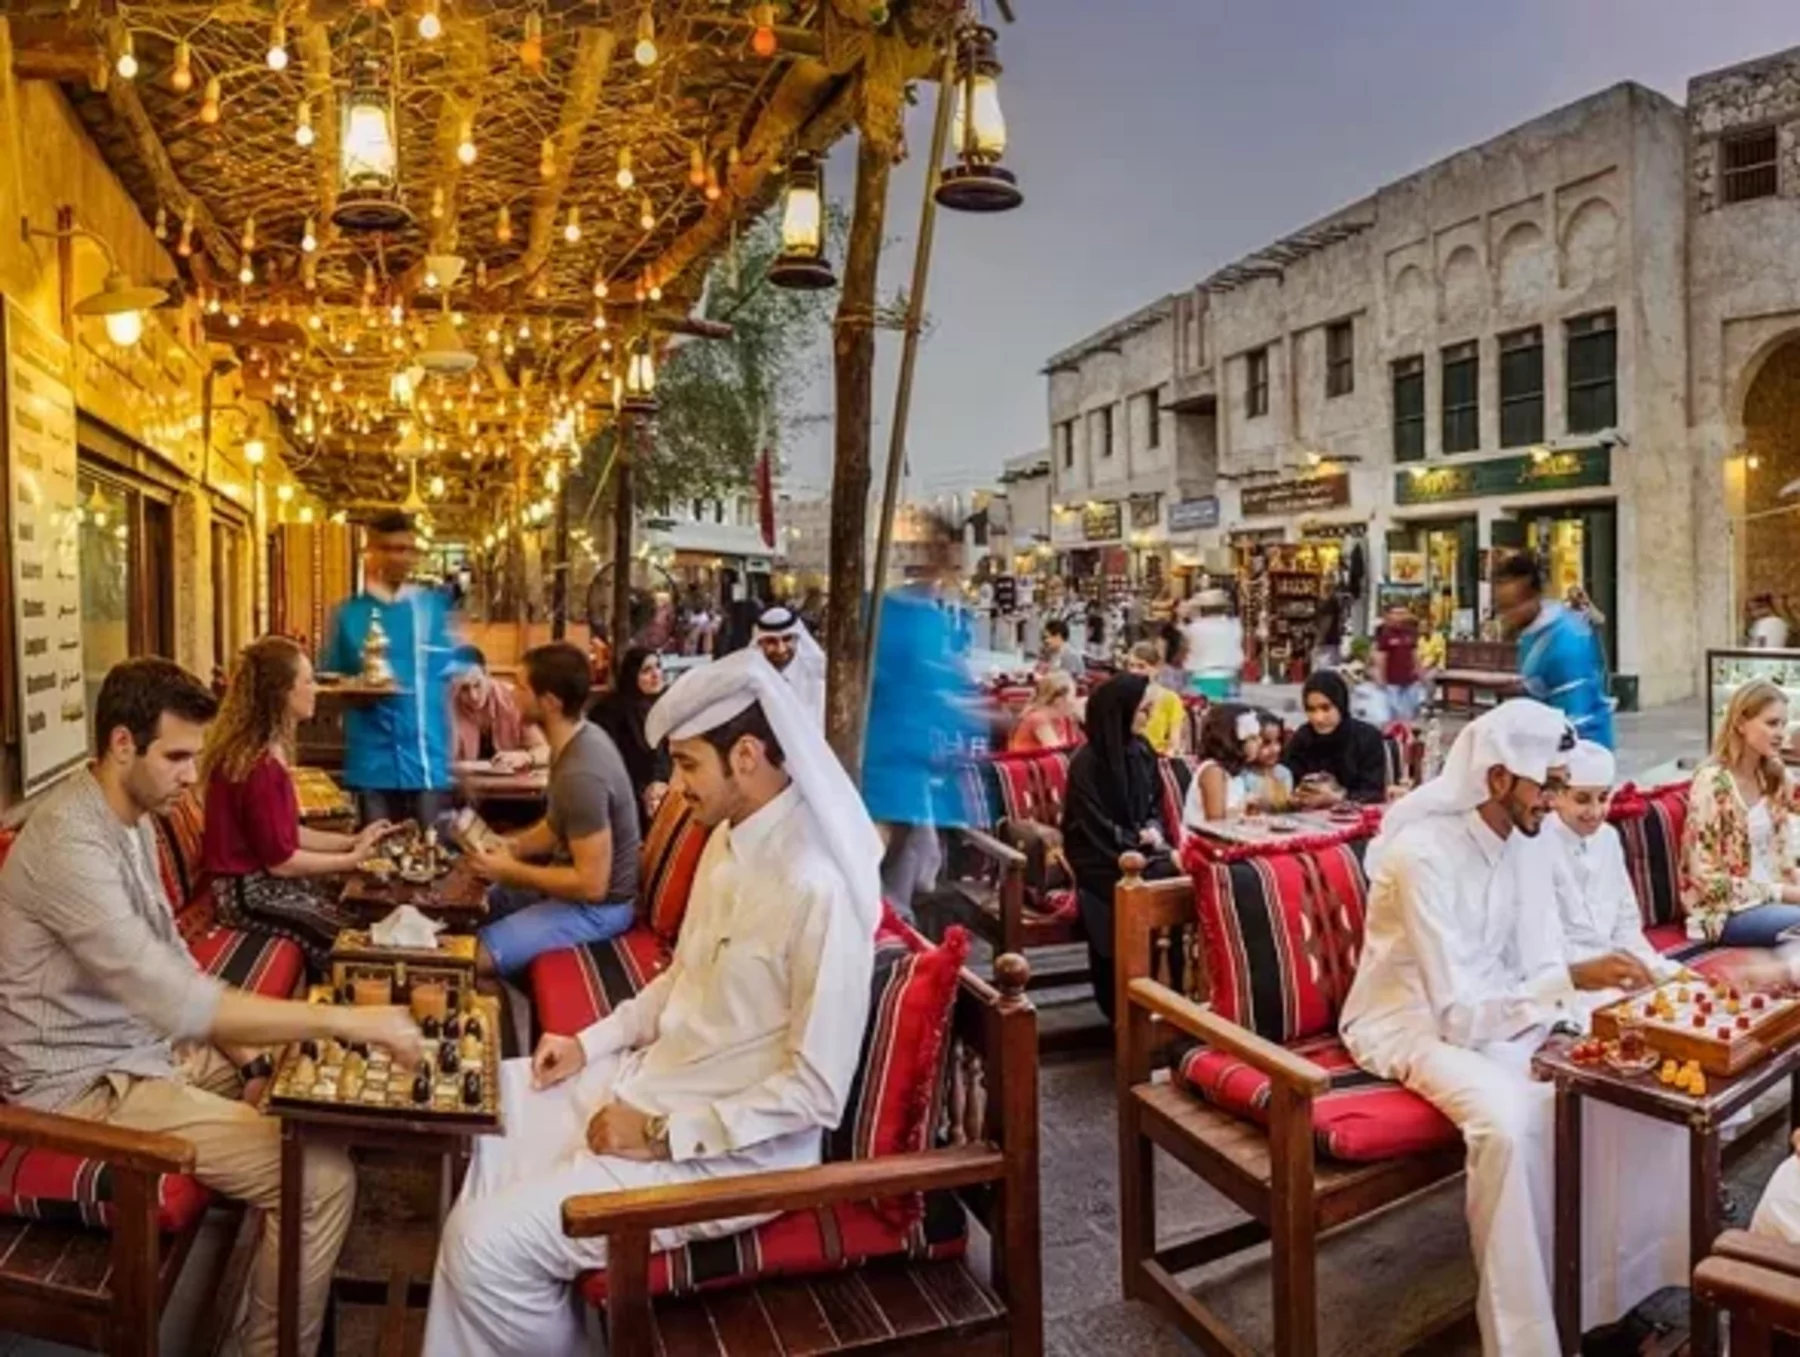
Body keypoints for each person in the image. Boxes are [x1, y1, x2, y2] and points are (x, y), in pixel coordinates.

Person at [421, 650, 881, 1354]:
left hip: (732, 1157)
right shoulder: (728, 842)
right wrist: (587, 1043)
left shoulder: (818, 886)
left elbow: (816, 1094)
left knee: (480, 1246)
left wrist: (663, 1132)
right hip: (657, 1080)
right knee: (496, 1098)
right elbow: (682, 979)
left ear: (748, 756)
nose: (672, 785)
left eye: (690, 765)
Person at [0, 657, 423, 1357]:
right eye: (177, 756)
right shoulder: (69, 845)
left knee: (304, 1081)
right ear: (121, 744)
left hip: (140, 1055)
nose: (193, 776)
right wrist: (348, 1018)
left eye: (195, 755)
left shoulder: (127, 815)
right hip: (81, 1093)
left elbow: (173, 961)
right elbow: (174, 995)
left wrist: (256, 1061)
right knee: (320, 1176)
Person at [1340, 701, 1683, 1353]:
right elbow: (1458, 1011)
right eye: (1546, 784)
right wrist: (1566, 989)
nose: (1554, 800)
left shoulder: (1525, 840)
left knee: (1610, 1081)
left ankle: (1603, 1297)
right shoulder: (1423, 854)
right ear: (1498, 778)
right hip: (1407, 1019)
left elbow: (1542, 959)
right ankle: (1525, 1338)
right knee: (1508, 1121)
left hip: (1502, 1008)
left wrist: (1571, 1015)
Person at [202, 637, 394, 970]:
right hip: (246, 895)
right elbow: (282, 862)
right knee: (351, 936)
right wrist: (351, 860)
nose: (316, 689)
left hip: (263, 882)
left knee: (355, 910)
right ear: (282, 693)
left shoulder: (264, 751)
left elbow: (288, 834)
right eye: (308, 681)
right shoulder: (256, 764)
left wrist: (352, 841)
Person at [464, 643, 642, 977]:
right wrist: (511, 847)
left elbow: (592, 885)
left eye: (520, 686)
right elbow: (556, 826)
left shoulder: (581, 772)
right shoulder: (575, 740)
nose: (512, 694)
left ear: (550, 702)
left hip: (597, 910)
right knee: (469, 905)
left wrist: (509, 871)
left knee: (474, 957)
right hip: (579, 896)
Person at [863, 513, 984, 918]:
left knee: (904, 873)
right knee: (874, 865)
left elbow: (941, 682)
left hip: (911, 763)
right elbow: (918, 683)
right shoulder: (896, 612)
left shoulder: (928, 613)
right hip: (886, 760)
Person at [321, 510, 459, 823]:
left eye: (406, 549)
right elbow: (333, 679)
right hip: (372, 762)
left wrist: (455, 758)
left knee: (432, 857)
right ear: (370, 553)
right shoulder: (348, 615)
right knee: (377, 858)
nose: (400, 558)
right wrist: (356, 691)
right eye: (389, 549)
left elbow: (448, 680)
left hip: (427, 763)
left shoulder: (432, 609)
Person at [1061, 674, 1175, 1021]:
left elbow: (1154, 805)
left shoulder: (1142, 752)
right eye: (1144, 711)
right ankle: (1126, 1006)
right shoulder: (1086, 762)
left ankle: (1170, 993)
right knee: (1155, 874)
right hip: (1099, 855)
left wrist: (1152, 831)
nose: (1148, 718)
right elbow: (1091, 824)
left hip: (1139, 849)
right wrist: (1133, 844)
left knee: (1177, 872)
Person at [1547, 740, 1681, 1019]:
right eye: (1582, 799)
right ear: (1556, 796)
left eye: (1603, 798)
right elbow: (1544, 944)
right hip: (1568, 980)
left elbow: (1626, 922)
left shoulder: (1608, 837)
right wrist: (1600, 972)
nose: (1595, 811)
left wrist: (1653, 971)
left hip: (1615, 969)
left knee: (1686, 995)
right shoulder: (1536, 844)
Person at [1681, 677, 1800, 945]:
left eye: (1783, 724)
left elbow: (1784, 856)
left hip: (1777, 897)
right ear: (1740, 724)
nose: (1780, 733)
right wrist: (1786, 892)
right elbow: (1706, 880)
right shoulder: (1713, 782)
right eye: (1771, 723)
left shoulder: (1773, 775)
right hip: (1726, 913)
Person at [1494, 552, 1615, 749]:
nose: (1506, 615)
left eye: (1513, 607)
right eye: (1502, 607)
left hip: (1583, 752)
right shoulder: (1533, 632)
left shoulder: (1566, 645)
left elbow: (1576, 725)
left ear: (1534, 597)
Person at [586, 646, 672, 832]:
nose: (656, 675)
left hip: (662, 794)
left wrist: (660, 782)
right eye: (646, 670)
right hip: (625, 799)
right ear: (632, 675)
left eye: (658, 667)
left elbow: (668, 756)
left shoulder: (667, 706)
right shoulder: (610, 712)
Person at [1283, 669, 1389, 809]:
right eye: (1311, 709)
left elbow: (1374, 792)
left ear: (1340, 704)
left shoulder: (1366, 737)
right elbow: (1289, 782)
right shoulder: (1302, 739)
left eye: (1326, 708)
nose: (1318, 718)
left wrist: (1338, 798)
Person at [450, 646, 549, 771]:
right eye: (464, 689)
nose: (473, 696)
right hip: (463, 786)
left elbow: (545, 751)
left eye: (477, 685)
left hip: (511, 786)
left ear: (487, 674)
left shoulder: (515, 699)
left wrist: (527, 757)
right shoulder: (446, 704)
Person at [1183, 704, 1259, 828]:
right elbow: (1216, 823)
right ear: (1232, 741)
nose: (1259, 742)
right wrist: (1242, 812)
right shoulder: (1213, 772)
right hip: (1204, 842)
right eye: (1253, 738)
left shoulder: (1234, 775)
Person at [753, 603, 827, 726]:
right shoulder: (751, 680)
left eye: (787, 639)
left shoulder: (816, 679)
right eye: (771, 641)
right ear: (760, 643)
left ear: (797, 639)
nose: (781, 649)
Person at [1181, 588, 1243, 700]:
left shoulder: (1193, 628)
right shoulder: (1235, 626)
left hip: (1202, 673)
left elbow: (1185, 650)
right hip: (1230, 673)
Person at [1126, 641, 1186, 756]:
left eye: (1141, 666)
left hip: (1157, 757)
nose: (1135, 671)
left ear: (1156, 668)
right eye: (1131, 666)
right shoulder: (1121, 696)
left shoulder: (1170, 699)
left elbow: (1175, 741)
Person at [1374, 602, 1425, 722]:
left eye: (1403, 613)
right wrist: (1381, 678)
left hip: (1409, 680)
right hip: (1392, 682)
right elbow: (1381, 657)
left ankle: (1406, 735)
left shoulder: (1410, 632)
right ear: (1390, 615)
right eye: (1397, 613)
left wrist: (1420, 671)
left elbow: (1414, 653)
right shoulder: (1385, 634)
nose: (1400, 616)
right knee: (1394, 714)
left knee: (1409, 713)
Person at [1007, 670, 1080, 752]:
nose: (1074, 701)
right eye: (1073, 696)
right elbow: (1058, 753)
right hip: (1028, 762)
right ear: (1058, 700)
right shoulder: (1038, 718)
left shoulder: (1061, 719)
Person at [1242, 710, 1294, 812]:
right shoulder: (1244, 777)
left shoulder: (1284, 773)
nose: (1275, 749)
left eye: (1278, 741)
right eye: (1266, 743)